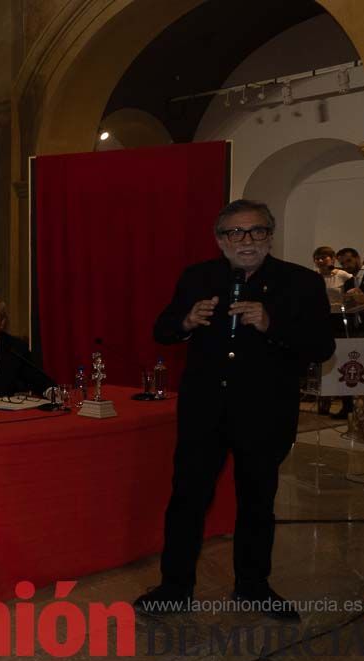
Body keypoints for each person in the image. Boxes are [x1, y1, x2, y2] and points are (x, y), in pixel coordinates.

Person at [134, 199, 334, 622]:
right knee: (188, 498)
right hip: (204, 411)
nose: (246, 241)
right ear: (219, 239)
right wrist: (187, 321)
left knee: (257, 501)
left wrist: (270, 324)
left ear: (269, 235)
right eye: (234, 233)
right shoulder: (198, 277)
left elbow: (322, 347)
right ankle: (174, 587)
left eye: (256, 231)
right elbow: (162, 329)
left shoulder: (301, 283)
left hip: (265, 413)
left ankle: (253, 586)